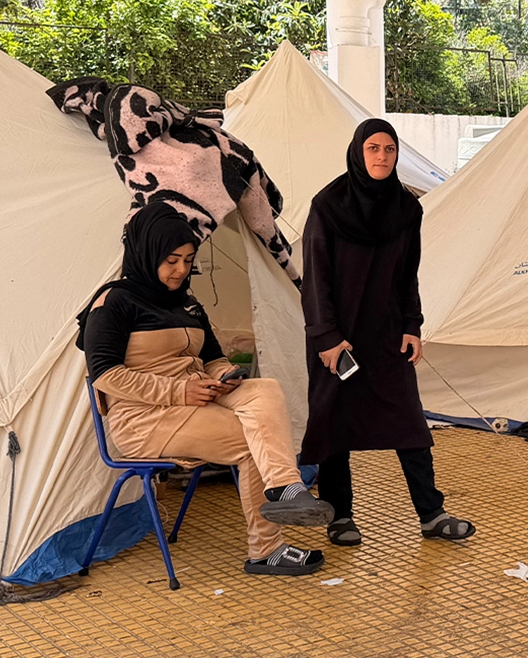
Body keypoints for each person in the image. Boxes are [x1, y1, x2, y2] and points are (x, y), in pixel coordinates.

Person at [79, 202, 334, 577]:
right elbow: (105, 375)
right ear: (147, 253)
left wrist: (225, 375)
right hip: (144, 420)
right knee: (252, 441)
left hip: (197, 398)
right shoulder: (114, 302)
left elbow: (213, 357)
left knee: (265, 389)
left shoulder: (186, 303)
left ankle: (286, 489)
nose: (181, 270)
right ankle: (267, 550)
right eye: (171, 261)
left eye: (188, 260)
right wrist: (179, 392)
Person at [300, 118, 475, 547]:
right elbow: (315, 275)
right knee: (335, 421)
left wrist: (413, 325)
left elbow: (406, 275)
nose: (381, 157)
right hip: (337, 337)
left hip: (386, 335)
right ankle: (340, 516)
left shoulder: (406, 208)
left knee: (408, 421)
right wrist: (325, 336)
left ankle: (431, 513)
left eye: (389, 149)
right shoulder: (328, 205)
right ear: (359, 152)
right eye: (373, 149)